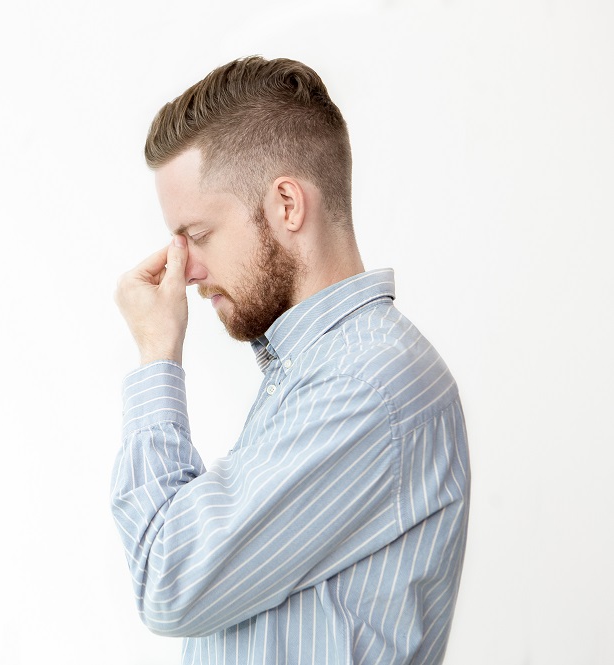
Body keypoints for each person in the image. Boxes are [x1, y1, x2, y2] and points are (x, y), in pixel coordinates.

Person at [111, 56, 470, 665]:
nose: (186, 271)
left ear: (286, 204)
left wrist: (156, 358)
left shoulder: (364, 386)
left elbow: (169, 579)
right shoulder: (318, 373)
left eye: (197, 236)